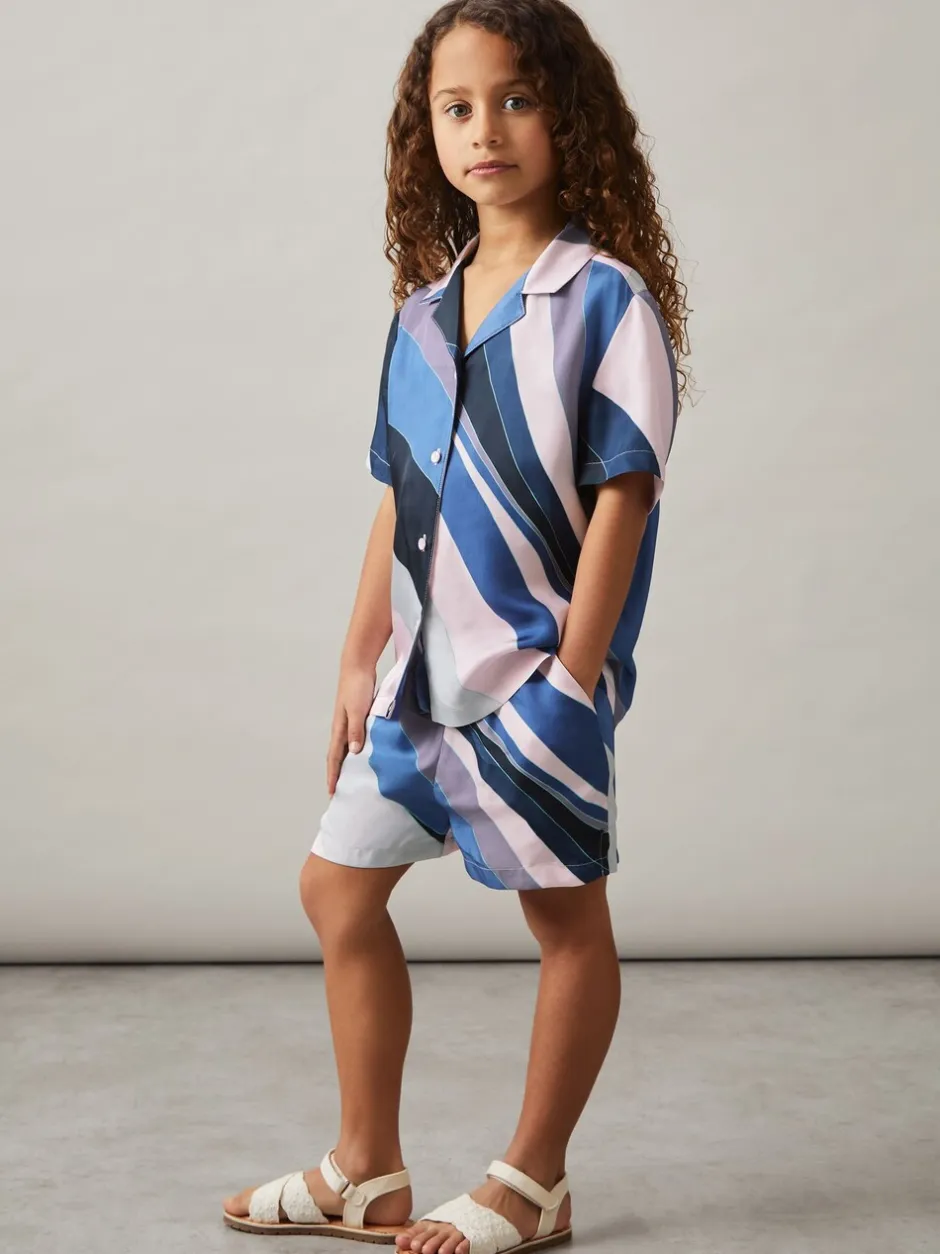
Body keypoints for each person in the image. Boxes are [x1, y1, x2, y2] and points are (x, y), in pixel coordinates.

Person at [223, 1, 690, 1251]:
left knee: (565, 925)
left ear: (569, 118)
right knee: (335, 890)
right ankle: (364, 1170)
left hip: (530, 685)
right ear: (424, 131)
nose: (486, 129)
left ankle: (532, 1182)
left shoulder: (605, 302)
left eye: (517, 100)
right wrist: (355, 657)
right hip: (414, 686)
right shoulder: (423, 315)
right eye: (457, 107)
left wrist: (572, 679)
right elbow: (399, 494)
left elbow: (625, 496)